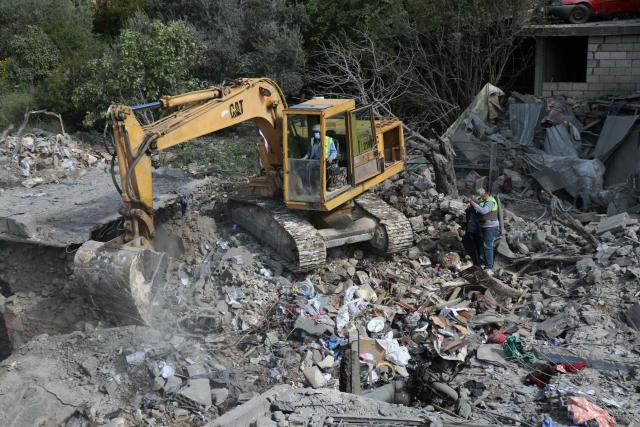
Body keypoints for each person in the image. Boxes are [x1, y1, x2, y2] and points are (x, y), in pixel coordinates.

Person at [470, 188, 500, 271]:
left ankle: (489, 266)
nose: (481, 197)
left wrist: (473, 204)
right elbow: (479, 208)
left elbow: (484, 211)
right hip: (485, 226)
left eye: (483, 195)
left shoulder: (491, 202)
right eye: (481, 196)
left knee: (488, 246)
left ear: (487, 193)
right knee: (485, 245)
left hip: (491, 227)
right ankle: (485, 263)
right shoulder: (483, 201)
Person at [302, 124, 338, 189]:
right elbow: (309, 153)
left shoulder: (329, 140)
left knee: (324, 170)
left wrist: (330, 157)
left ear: (322, 132)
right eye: (315, 132)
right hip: (315, 161)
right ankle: (308, 186)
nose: (316, 133)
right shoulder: (312, 141)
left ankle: (326, 185)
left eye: (318, 132)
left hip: (325, 161)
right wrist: (304, 158)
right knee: (306, 167)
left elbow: (334, 152)